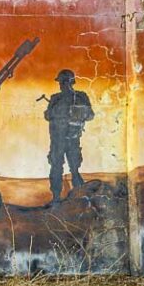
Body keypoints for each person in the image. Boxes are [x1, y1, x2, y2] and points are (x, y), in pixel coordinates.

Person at [44, 69, 94, 202]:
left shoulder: (80, 97)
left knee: (74, 169)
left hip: (71, 139)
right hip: (58, 140)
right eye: (61, 82)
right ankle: (56, 199)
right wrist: (59, 113)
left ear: (69, 82)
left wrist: (76, 112)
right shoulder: (56, 98)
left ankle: (80, 198)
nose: (61, 85)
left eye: (63, 82)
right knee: (56, 168)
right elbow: (48, 116)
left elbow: (90, 115)